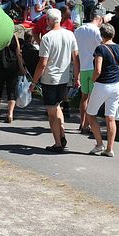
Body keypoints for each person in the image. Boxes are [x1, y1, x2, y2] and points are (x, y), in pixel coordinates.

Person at [29, 8, 80, 153]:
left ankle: (57, 143)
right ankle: (62, 134)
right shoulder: (70, 34)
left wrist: (33, 81)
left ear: (49, 21)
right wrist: (77, 77)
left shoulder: (47, 38)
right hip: (64, 78)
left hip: (50, 78)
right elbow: (75, 58)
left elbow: (42, 63)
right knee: (58, 106)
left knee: (51, 112)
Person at [86, 23, 119, 157]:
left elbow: (98, 69)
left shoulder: (100, 49)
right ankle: (110, 148)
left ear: (101, 35)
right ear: (113, 34)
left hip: (102, 84)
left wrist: (92, 80)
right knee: (110, 117)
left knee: (91, 114)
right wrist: (118, 78)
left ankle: (99, 144)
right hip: (116, 85)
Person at [74, 8, 107, 133]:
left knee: (84, 97)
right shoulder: (96, 32)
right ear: (98, 19)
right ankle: (87, 124)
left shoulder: (79, 30)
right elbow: (102, 48)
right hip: (94, 68)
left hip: (82, 66)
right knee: (92, 99)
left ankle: (82, 122)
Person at [0, 32, 25, 123]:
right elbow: (18, 53)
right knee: (11, 90)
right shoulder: (14, 36)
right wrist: (21, 67)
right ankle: (10, 114)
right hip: (12, 66)